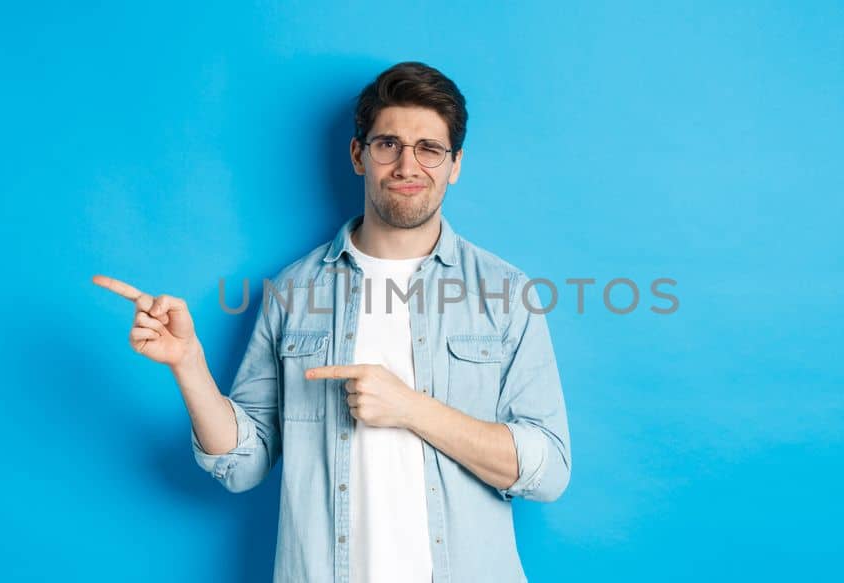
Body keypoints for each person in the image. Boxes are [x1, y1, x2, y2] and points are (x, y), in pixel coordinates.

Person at [92, 61, 571, 583]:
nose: (408, 166)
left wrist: (410, 407)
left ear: (455, 164)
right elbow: (243, 465)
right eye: (388, 144)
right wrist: (189, 365)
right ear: (358, 155)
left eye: (429, 149)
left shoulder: (504, 292)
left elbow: (547, 469)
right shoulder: (293, 291)